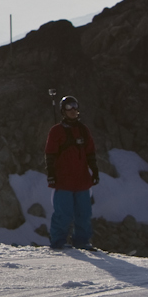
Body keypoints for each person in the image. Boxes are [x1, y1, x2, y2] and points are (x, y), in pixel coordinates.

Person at [44, 95, 100, 250]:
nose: (73, 110)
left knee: (84, 214)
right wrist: (51, 174)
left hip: (82, 180)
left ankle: (82, 241)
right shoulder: (56, 131)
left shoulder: (83, 130)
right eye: (69, 107)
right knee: (63, 214)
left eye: (75, 106)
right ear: (63, 110)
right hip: (63, 180)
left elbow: (90, 153)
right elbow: (50, 154)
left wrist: (94, 171)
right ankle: (58, 242)